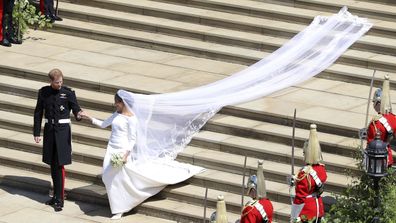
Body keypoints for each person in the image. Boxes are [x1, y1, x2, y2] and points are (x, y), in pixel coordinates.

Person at [33, 68, 83, 212]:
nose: (59, 84)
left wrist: (79, 115)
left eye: (61, 81)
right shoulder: (43, 92)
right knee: (52, 164)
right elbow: (38, 113)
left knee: (60, 165)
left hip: (62, 132)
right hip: (49, 130)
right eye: (57, 82)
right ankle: (55, 196)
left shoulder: (68, 93)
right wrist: (37, 132)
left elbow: (76, 109)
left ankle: (60, 198)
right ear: (51, 81)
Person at [291, 124, 327, 223]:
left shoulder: (304, 174)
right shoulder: (321, 169)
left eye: (304, 153)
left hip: (306, 211)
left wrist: (294, 216)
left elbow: (299, 198)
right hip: (317, 207)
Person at [366, 75, 395, 167]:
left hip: (377, 160)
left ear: (378, 103)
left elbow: (371, 144)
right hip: (389, 157)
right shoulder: (393, 117)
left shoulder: (375, 123)